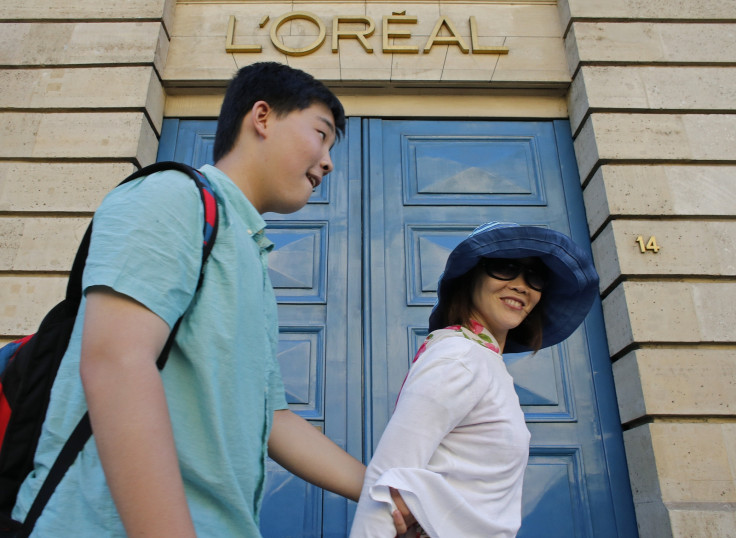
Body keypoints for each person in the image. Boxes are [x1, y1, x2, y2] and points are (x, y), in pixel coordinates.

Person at [12, 62, 370, 537]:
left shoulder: (249, 253)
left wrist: (385, 490)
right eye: (321, 135)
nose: (328, 160)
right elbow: (117, 362)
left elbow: (275, 420)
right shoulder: (171, 196)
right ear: (262, 117)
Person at [350, 221, 600, 537]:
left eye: (535, 277)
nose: (522, 285)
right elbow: (388, 478)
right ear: (471, 278)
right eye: (505, 267)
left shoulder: (484, 361)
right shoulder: (460, 356)